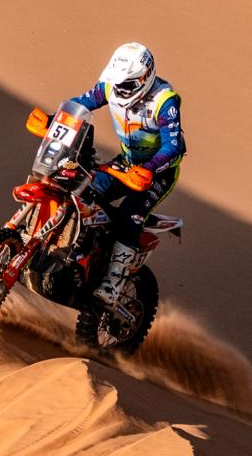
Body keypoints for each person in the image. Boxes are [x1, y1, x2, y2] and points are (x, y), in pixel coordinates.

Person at [55, 41, 186, 307]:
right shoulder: (109, 86)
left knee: (130, 213)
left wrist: (149, 169)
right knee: (84, 191)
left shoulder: (164, 101)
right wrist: (55, 120)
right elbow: (81, 104)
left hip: (157, 173)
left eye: (127, 84)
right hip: (126, 163)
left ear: (145, 78)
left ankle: (113, 282)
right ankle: (81, 253)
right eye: (118, 83)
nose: (120, 89)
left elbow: (174, 147)